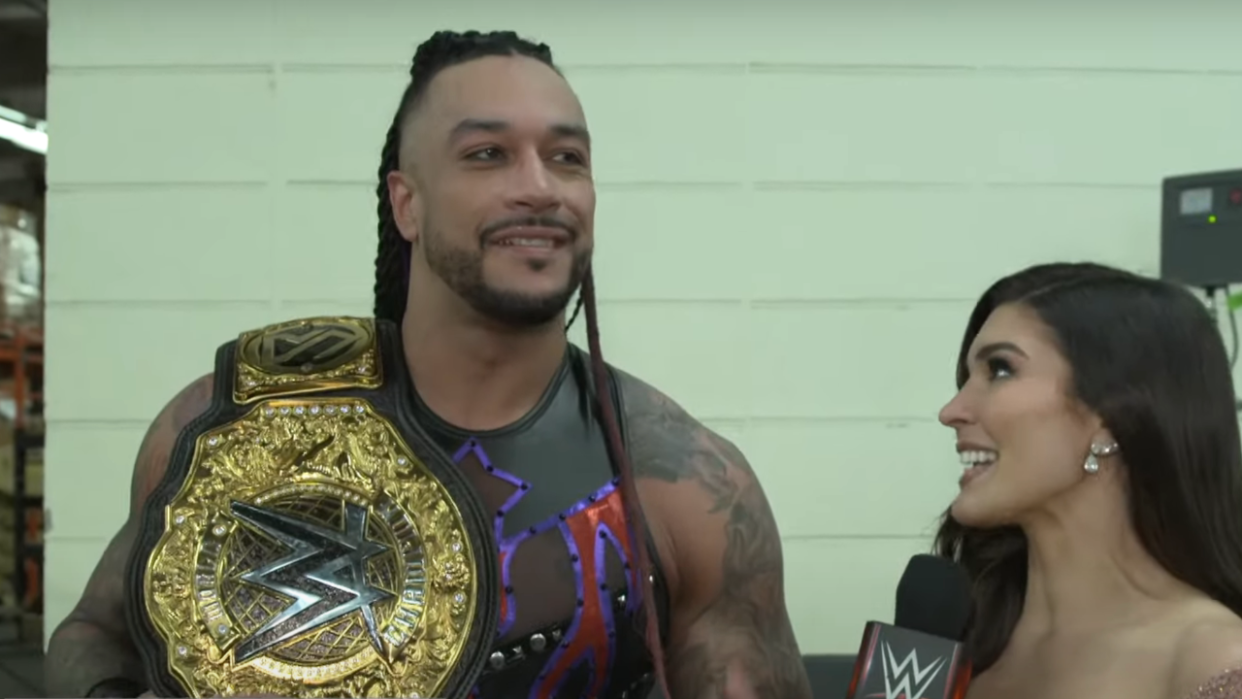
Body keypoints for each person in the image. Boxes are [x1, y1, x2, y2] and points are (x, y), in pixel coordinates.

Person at [44, 30, 812, 699]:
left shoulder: (689, 489)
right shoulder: (230, 422)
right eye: (488, 154)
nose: (539, 186)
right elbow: (91, 634)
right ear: (405, 203)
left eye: (566, 157)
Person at [934, 262, 1242, 699]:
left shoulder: (1214, 663)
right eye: (967, 378)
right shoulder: (954, 647)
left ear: (1111, 415)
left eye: (1000, 370)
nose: (952, 410)